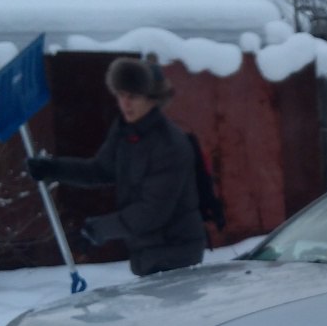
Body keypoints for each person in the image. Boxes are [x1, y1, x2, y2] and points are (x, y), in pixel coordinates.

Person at [25, 57, 207, 277]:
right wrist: (53, 169)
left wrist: (98, 230)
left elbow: (152, 212)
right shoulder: (125, 132)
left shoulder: (170, 145)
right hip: (147, 253)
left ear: (152, 99)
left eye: (133, 97)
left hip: (178, 256)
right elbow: (100, 170)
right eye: (121, 95)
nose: (125, 104)